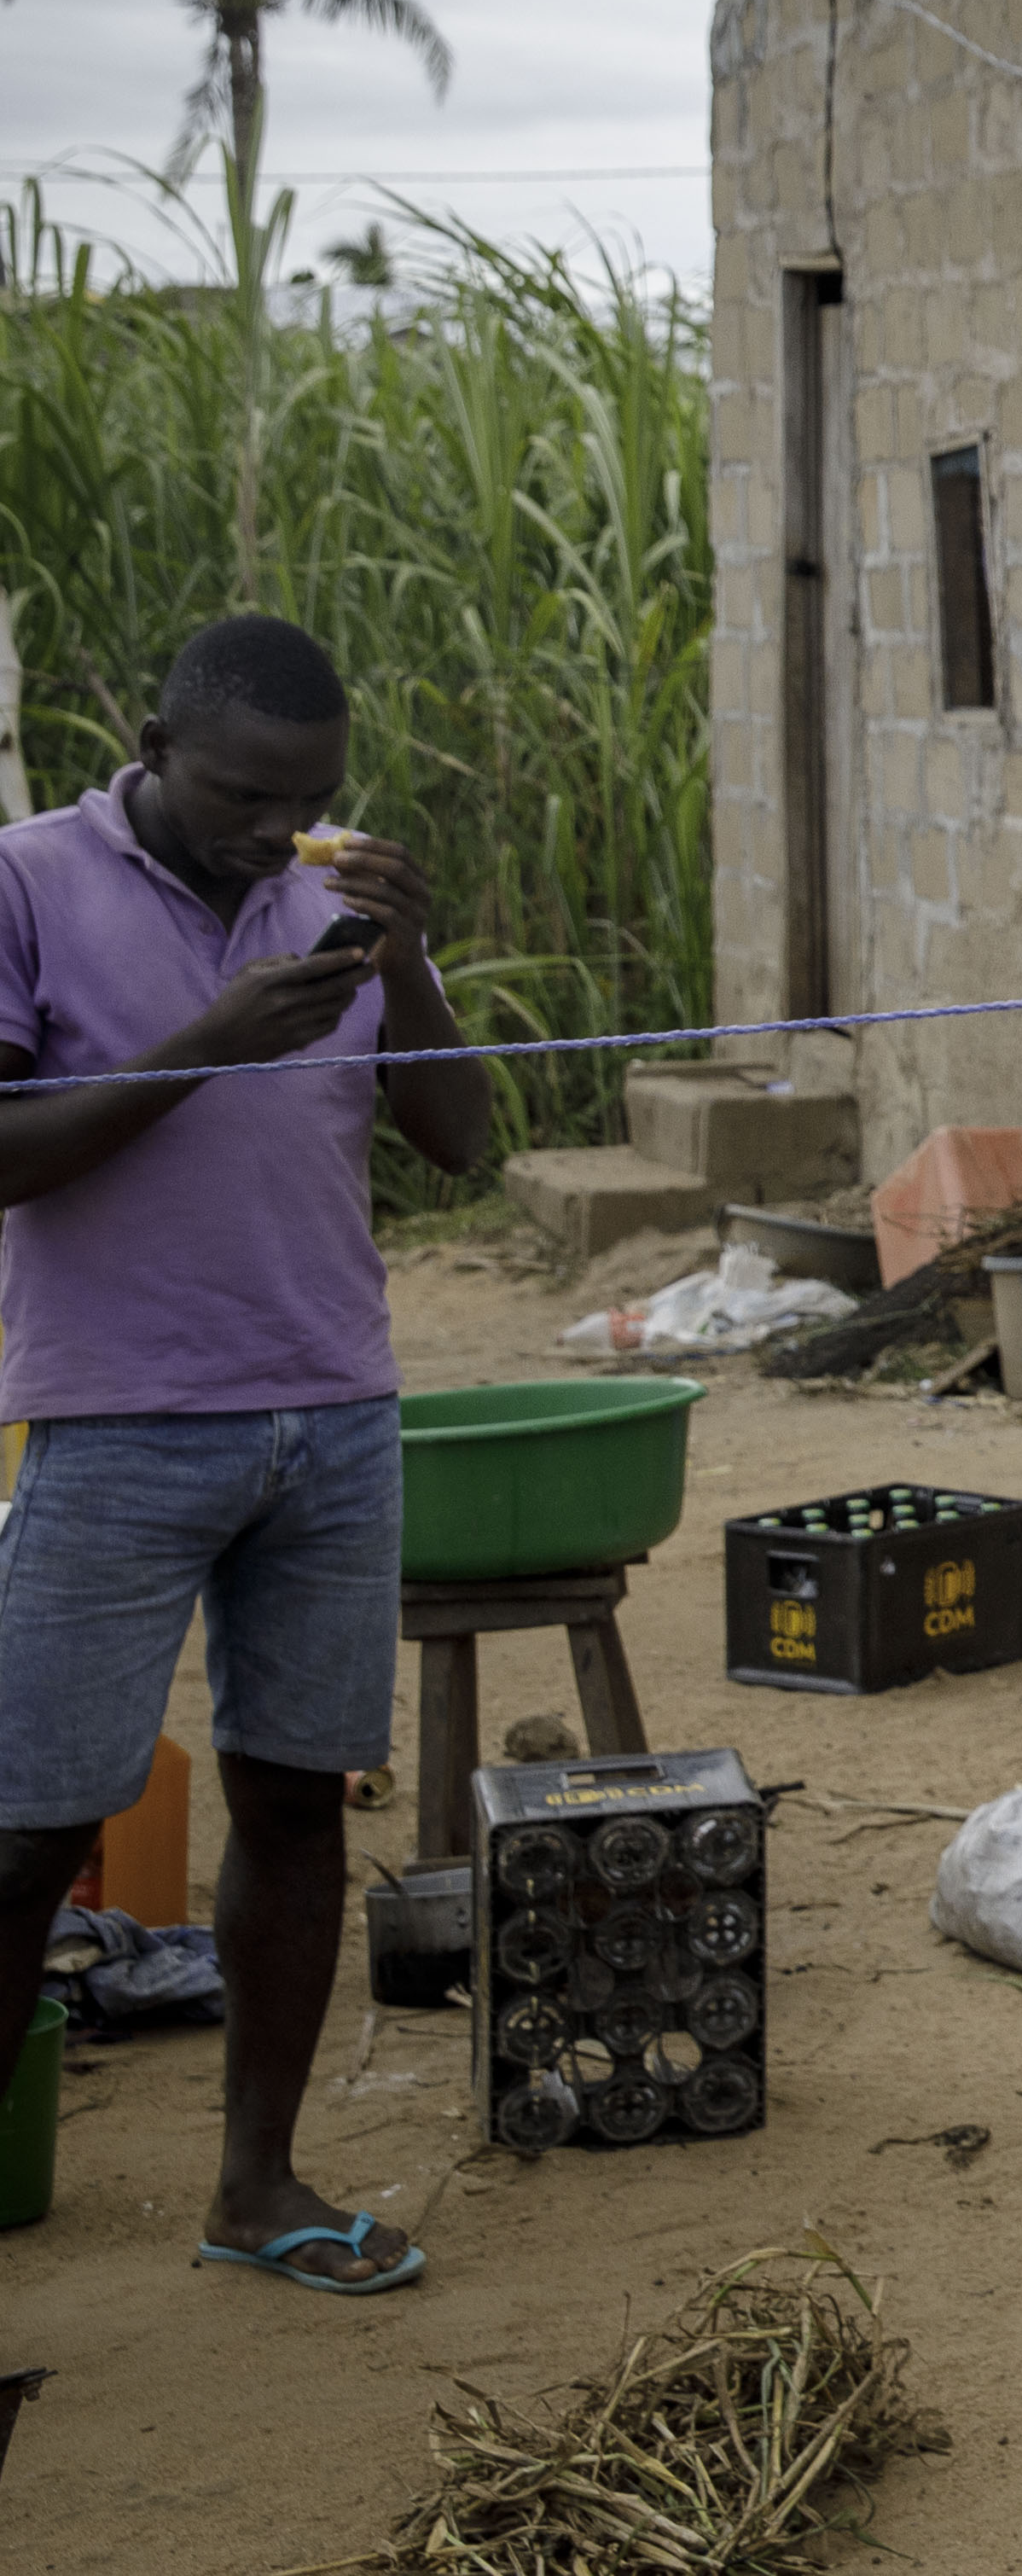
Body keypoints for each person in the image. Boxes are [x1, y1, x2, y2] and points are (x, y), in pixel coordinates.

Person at [0, 613, 488, 2295]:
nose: (274, 832)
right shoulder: (26, 879)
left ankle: (259, 2190)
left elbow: (463, 1144)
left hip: (332, 1419)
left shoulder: (328, 906)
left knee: (295, 1804)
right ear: (150, 743)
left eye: (309, 802)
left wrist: (404, 961)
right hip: (120, 1422)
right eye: (240, 795)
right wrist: (211, 1038)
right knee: (32, 1831)